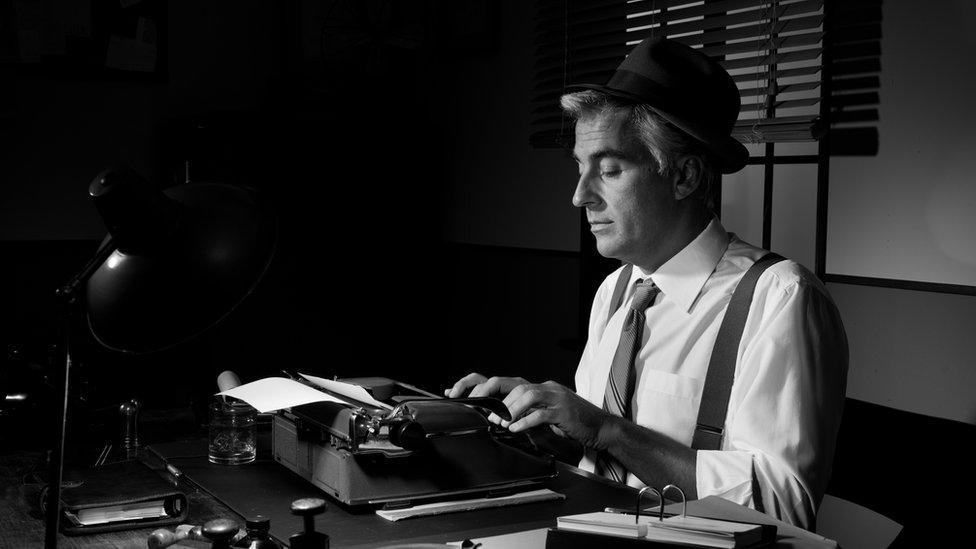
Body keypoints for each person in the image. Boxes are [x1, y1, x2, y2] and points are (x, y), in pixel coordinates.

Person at [445, 37, 848, 530]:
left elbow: (786, 508)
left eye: (609, 170)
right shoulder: (615, 291)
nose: (579, 197)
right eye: (579, 167)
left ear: (684, 175)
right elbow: (595, 456)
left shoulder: (780, 298)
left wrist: (610, 430)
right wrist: (541, 422)